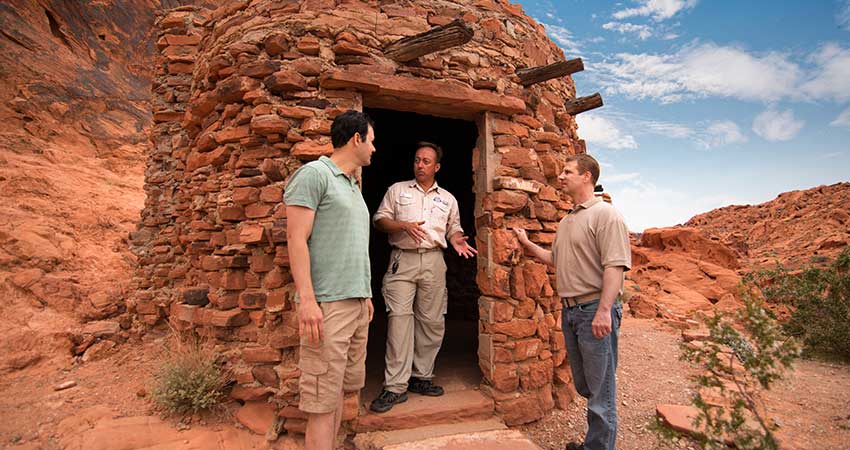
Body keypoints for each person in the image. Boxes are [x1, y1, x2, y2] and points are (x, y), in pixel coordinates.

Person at [513, 154, 631, 450]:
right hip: (572, 312)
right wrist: (527, 245)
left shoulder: (606, 215)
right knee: (586, 385)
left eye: (568, 172)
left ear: (587, 176)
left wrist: (604, 310)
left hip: (594, 310)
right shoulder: (568, 220)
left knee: (601, 391)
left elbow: (615, 265)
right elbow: (556, 260)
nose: (561, 176)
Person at [284, 110, 376, 450]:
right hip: (327, 305)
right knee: (321, 401)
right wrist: (307, 301)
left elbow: (352, 243)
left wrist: (364, 293)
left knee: (338, 390)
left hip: (354, 303)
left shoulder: (351, 184)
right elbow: (296, 239)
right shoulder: (314, 175)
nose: (374, 149)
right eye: (372, 141)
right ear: (357, 138)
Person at [368, 142, 478, 413]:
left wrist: (456, 240)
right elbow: (379, 220)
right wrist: (402, 225)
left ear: (436, 166)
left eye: (426, 161)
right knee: (399, 323)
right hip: (401, 260)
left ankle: (421, 377)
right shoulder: (397, 190)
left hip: (433, 261)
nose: (420, 165)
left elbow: (454, 228)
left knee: (431, 322)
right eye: (417, 160)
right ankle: (395, 387)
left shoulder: (448, 199)